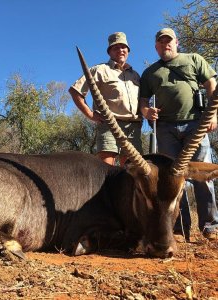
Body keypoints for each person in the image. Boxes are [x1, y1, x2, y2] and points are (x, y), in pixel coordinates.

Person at [140, 28, 218, 240]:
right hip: (165, 129)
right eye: (161, 42)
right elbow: (143, 102)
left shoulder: (193, 59)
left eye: (169, 41)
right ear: (156, 46)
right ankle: (179, 229)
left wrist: (213, 114)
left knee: (203, 176)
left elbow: (211, 83)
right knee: (172, 180)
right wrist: (147, 111)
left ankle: (209, 227)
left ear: (177, 42)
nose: (166, 44)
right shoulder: (150, 72)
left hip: (196, 125)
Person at [69, 32, 142, 166]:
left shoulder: (136, 75)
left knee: (132, 174)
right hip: (110, 125)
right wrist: (90, 114)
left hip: (133, 128)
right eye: (116, 47)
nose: (120, 50)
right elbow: (75, 91)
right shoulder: (99, 70)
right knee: (106, 172)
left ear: (128, 51)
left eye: (123, 47)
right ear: (109, 52)